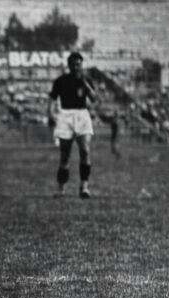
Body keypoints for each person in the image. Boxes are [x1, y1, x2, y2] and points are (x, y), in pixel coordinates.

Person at [47, 52, 98, 198]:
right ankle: (61, 190)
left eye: (78, 64)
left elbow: (94, 99)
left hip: (82, 115)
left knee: (85, 150)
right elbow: (52, 98)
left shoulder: (86, 80)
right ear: (68, 65)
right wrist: (50, 114)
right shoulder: (61, 81)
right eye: (73, 64)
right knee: (65, 155)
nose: (76, 67)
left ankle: (84, 187)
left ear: (82, 65)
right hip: (66, 115)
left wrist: (87, 86)